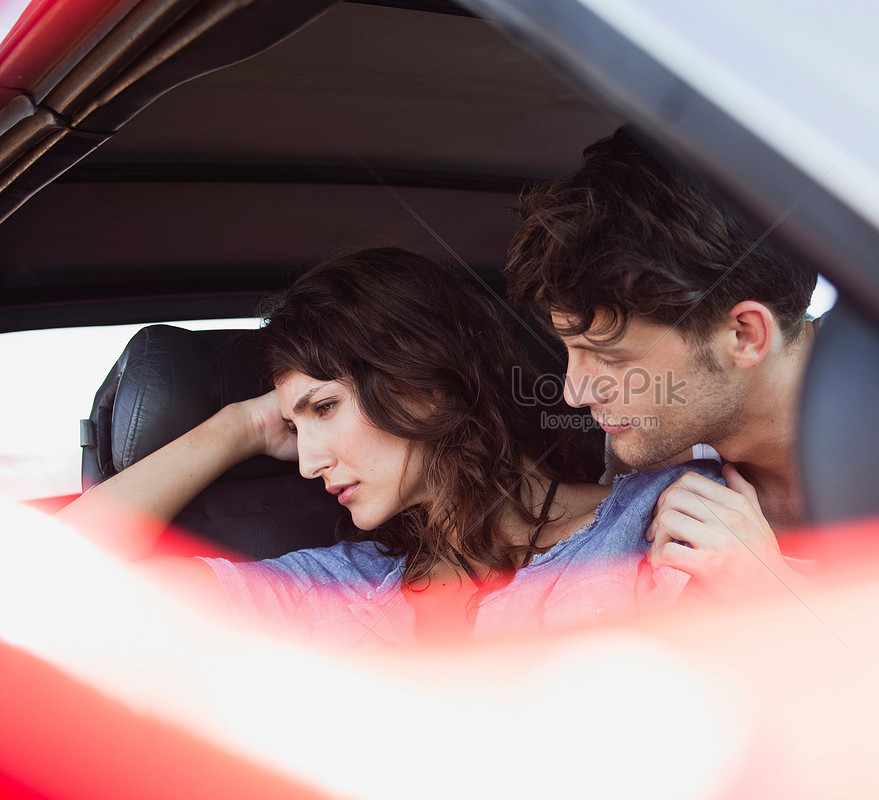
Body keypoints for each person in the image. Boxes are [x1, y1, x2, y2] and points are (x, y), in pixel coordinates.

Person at [56, 247, 719, 652]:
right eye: (295, 426)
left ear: (423, 384)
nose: (311, 461)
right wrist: (242, 427)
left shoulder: (658, 518)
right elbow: (57, 579)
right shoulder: (347, 585)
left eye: (324, 407)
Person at [506, 126, 819, 601]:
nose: (574, 393)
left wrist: (773, 596)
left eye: (612, 357)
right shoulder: (651, 451)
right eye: (570, 350)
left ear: (744, 336)